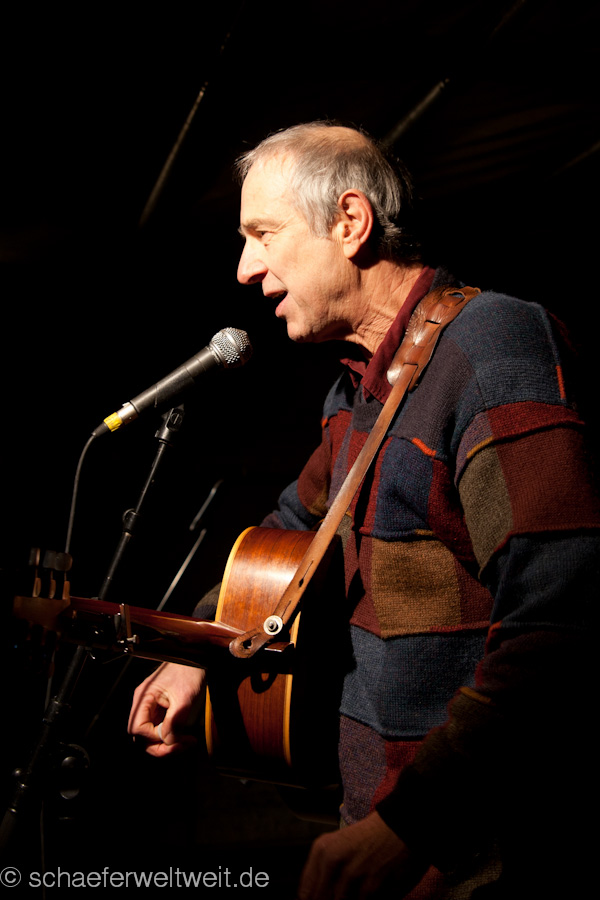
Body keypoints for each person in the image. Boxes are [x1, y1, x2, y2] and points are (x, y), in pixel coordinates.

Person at [128, 122, 599, 898]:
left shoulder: (493, 344)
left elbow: (562, 620)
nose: (245, 267)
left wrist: (410, 827)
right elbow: (289, 534)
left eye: (262, 233)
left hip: (469, 858)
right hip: (386, 832)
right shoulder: (357, 390)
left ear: (350, 222)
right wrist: (197, 648)